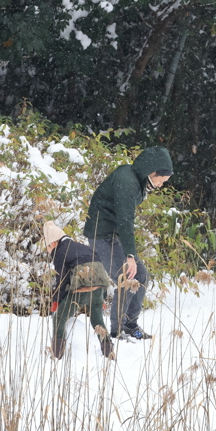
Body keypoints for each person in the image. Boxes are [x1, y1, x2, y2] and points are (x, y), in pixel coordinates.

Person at [83, 145, 173, 342]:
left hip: (112, 235)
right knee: (126, 278)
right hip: (101, 235)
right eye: (161, 180)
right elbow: (125, 221)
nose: (161, 185)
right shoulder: (127, 181)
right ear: (152, 172)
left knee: (140, 275)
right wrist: (131, 256)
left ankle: (130, 326)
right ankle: (117, 332)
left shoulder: (137, 180)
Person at [44, 221, 113, 360]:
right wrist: (103, 297)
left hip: (79, 292)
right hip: (98, 291)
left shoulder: (60, 252)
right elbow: (101, 273)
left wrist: (56, 300)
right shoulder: (86, 248)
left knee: (59, 318)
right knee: (97, 321)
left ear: (53, 243)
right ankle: (109, 353)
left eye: (48, 248)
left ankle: (57, 355)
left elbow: (61, 280)